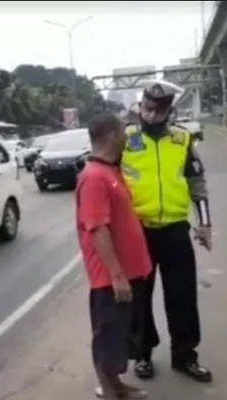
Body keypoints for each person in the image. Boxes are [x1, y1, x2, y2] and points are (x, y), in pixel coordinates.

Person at [120, 79, 213, 383]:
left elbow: (197, 184)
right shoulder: (125, 139)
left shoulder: (182, 140)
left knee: (182, 297)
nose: (150, 115)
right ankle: (143, 354)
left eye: (157, 110)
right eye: (147, 108)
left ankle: (185, 355)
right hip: (137, 233)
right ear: (141, 105)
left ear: (169, 111)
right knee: (139, 297)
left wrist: (205, 224)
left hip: (175, 231)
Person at [75, 112, 151, 399]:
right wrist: (117, 276)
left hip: (129, 273)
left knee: (120, 336)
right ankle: (108, 391)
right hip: (111, 278)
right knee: (108, 336)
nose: (126, 138)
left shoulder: (110, 171)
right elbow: (98, 230)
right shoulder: (94, 177)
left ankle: (117, 386)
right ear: (110, 135)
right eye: (122, 132)